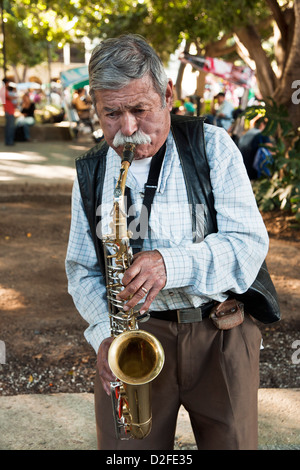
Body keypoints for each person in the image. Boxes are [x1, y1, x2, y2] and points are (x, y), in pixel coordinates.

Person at [65, 34, 271, 450]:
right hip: (134, 337)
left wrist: (169, 264)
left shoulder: (213, 147)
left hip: (220, 333)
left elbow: (248, 244)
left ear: (168, 94)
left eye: (139, 110)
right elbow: (82, 269)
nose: (127, 130)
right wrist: (108, 335)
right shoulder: (91, 171)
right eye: (111, 114)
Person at [2, 78, 17, 146]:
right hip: (9, 110)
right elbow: (9, 98)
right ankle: (9, 141)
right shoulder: (4, 90)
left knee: (9, 127)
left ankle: (9, 141)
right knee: (10, 127)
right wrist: (14, 97)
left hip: (9, 110)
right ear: (6, 83)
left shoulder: (5, 90)